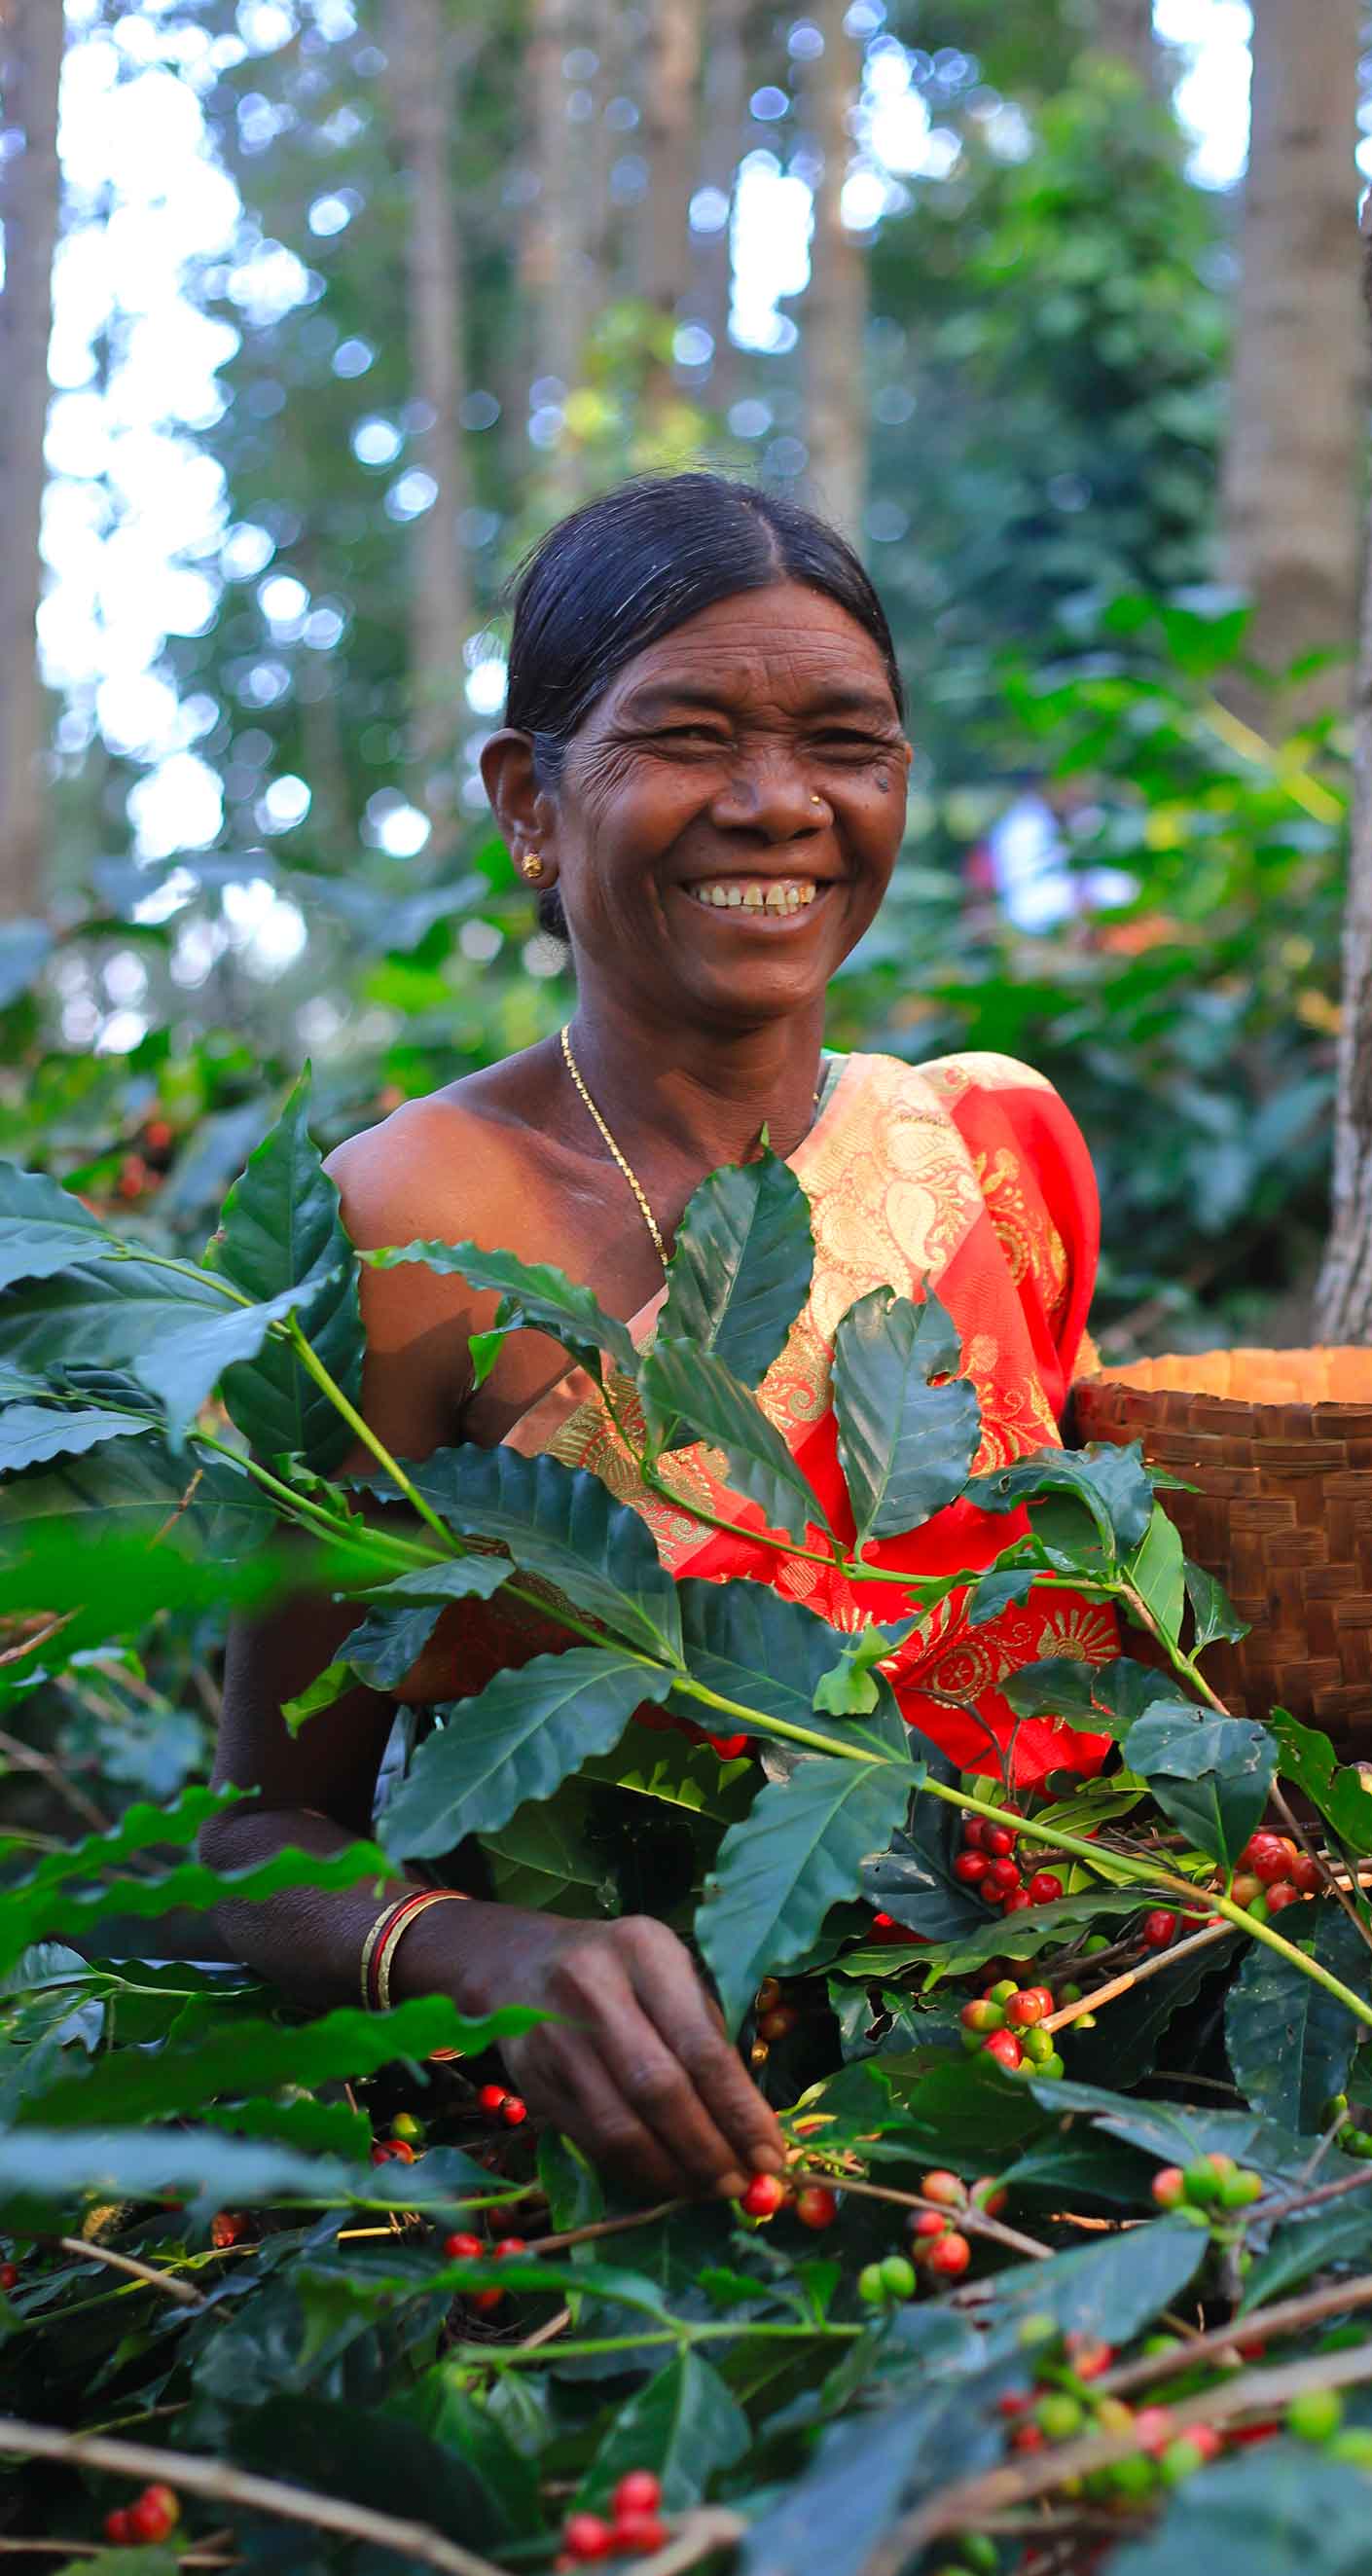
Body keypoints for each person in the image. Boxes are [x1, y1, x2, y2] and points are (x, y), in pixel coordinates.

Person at [204, 472, 1109, 2204]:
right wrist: (482, 1959)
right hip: (645, 2171)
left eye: (846, 743)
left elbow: (1106, 1621)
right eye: (687, 739)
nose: (778, 805)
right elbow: (247, 1837)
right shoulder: (411, 1226)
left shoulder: (989, 1149)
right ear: (532, 803)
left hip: (1063, 2059)